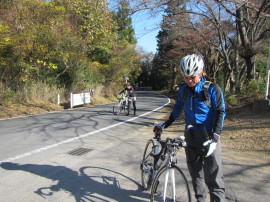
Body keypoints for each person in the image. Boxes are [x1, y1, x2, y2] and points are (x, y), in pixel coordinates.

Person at [161, 54, 226, 202]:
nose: (189, 80)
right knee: (196, 175)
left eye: (193, 77)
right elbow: (177, 108)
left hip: (209, 136)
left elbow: (221, 111)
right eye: (186, 77)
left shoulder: (212, 89)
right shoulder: (183, 90)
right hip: (190, 134)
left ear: (201, 72)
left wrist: (216, 136)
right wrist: (166, 123)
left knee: (214, 177)